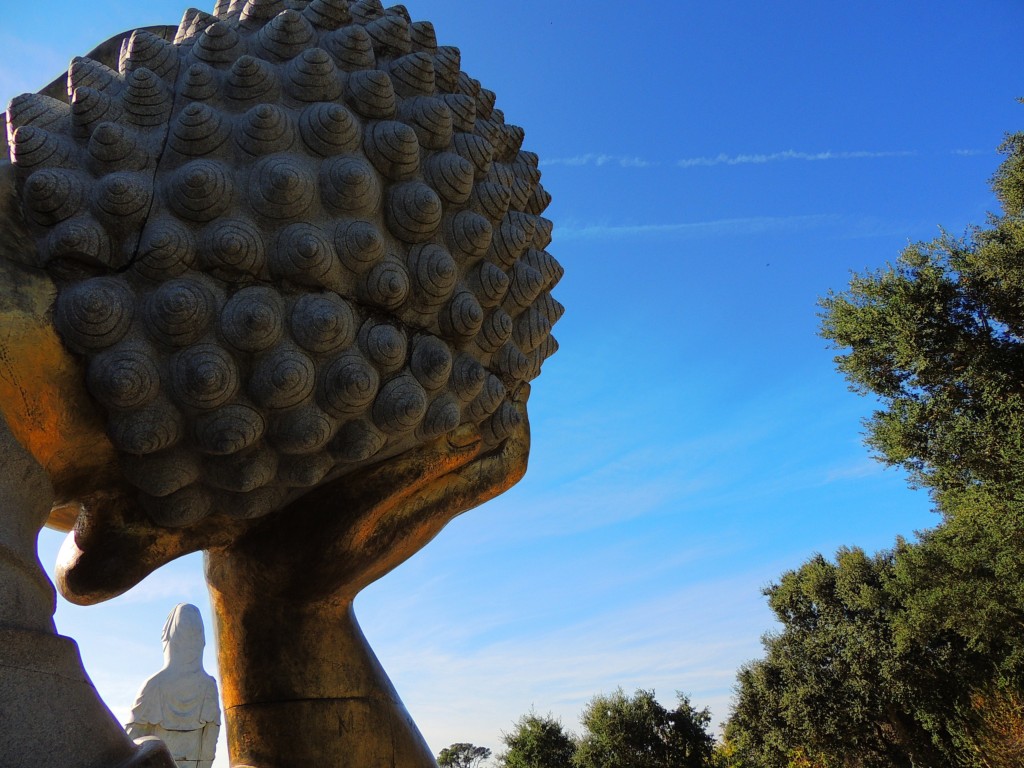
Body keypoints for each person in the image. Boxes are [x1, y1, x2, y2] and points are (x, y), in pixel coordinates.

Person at [126, 604, 220, 768]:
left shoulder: (153, 686)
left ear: (170, 637)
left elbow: (132, 743)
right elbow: (208, 749)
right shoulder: (208, 686)